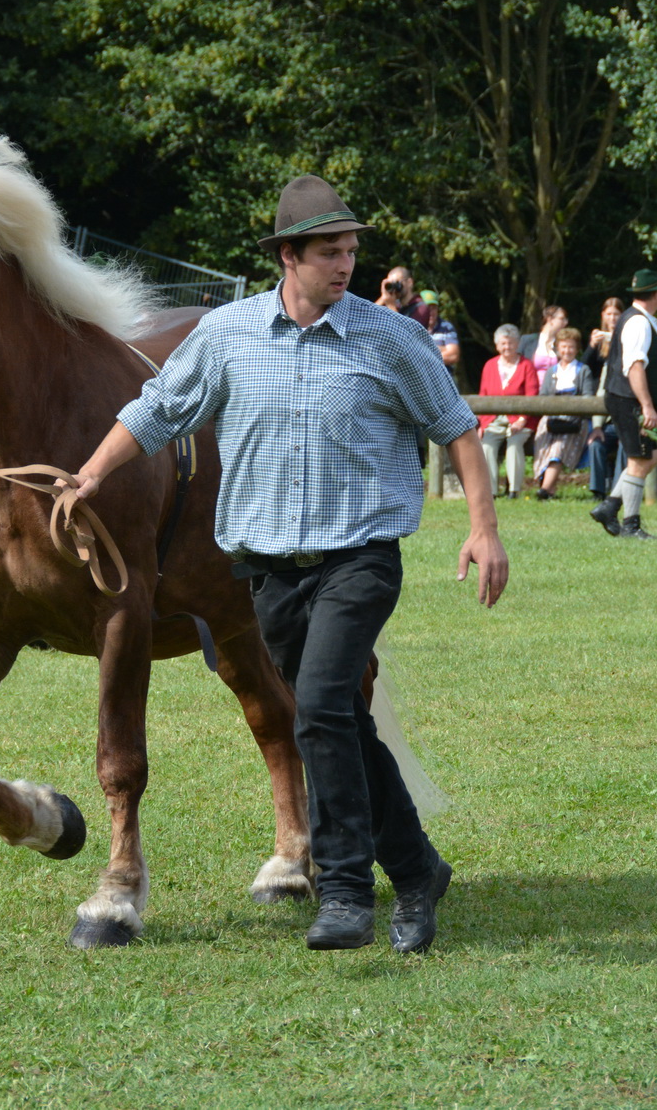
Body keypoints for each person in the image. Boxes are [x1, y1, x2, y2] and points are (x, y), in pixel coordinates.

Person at [72, 174, 507, 954]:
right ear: (287, 255)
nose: (345, 265)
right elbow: (154, 409)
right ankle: (415, 868)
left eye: (351, 251)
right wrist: (91, 475)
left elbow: (457, 427)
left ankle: (344, 890)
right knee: (333, 718)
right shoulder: (229, 334)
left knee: (318, 708)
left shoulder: (389, 337)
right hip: (269, 571)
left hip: (359, 559)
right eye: (329, 252)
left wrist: (484, 528)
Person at [589, 270, 657, 538]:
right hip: (630, 400)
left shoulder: (635, 318)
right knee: (640, 460)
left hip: (625, 398)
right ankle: (631, 525)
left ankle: (609, 506)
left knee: (650, 457)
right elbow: (635, 367)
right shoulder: (638, 323)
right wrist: (647, 407)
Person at [532, 326, 596, 499]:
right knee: (543, 447)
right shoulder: (552, 372)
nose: (567, 350)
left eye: (571, 347)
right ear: (558, 348)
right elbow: (544, 396)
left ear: (577, 349)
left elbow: (588, 398)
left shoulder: (583, 370)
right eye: (564, 346)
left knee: (557, 450)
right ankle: (550, 489)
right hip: (551, 418)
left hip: (574, 421)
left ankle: (544, 491)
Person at [477, 324, 539, 498]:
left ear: (518, 344)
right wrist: (482, 423)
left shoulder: (527, 365)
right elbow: (483, 396)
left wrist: (522, 419)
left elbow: (532, 395)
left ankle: (514, 490)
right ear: (497, 345)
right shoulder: (489, 366)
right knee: (487, 445)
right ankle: (491, 491)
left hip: (521, 419)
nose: (507, 347)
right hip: (493, 419)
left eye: (511, 343)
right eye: (503, 343)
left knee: (514, 444)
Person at [580, 298, 624, 497]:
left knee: (625, 443)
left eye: (616, 314)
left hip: (622, 403)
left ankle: (617, 489)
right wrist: (591, 345)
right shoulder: (599, 340)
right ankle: (598, 490)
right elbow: (582, 368)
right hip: (601, 403)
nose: (612, 318)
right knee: (595, 443)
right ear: (603, 316)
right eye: (609, 314)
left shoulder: (628, 337)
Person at [519, 304, 567, 368]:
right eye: (562, 319)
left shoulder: (561, 344)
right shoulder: (527, 340)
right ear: (550, 319)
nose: (565, 322)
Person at [420, 291, 460, 369]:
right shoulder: (415, 327)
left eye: (434, 308)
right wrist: (442, 349)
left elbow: (453, 355)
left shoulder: (446, 327)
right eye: (428, 308)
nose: (431, 312)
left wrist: (424, 354)